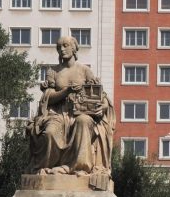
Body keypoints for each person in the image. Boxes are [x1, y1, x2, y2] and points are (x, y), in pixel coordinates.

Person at [27, 35, 115, 176]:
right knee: (49, 133)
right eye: (59, 47)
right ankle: (45, 167)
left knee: (84, 121)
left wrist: (103, 107)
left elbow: (100, 94)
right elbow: (47, 98)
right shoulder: (53, 71)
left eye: (65, 45)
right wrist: (66, 91)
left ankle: (80, 167)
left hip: (80, 113)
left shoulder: (85, 70)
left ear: (74, 48)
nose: (62, 49)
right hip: (58, 114)